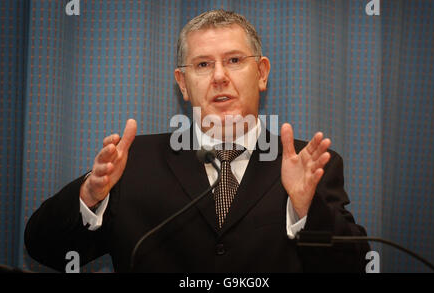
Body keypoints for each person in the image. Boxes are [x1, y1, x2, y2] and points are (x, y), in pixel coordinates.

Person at [25, 10, 369, 273]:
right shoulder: (131, 163)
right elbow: (44, 248)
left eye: (234, 60)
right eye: (203, 64)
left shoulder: (310, 163)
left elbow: (353, 266)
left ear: (262, 73)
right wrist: (90, 196)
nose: (219, 77)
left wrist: (306, 209)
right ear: (183, 83)